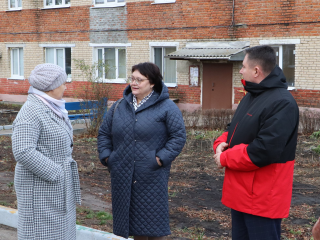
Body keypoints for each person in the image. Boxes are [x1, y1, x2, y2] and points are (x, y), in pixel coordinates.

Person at [213, 45, 299, 240]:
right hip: (241, 194)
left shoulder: (282, 102)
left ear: (256, 71)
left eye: (243, 66)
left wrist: (225, 158)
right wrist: (220, 143)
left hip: (262, 198)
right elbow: (235, 128)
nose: (241, 70)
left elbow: (264, 150)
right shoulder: (252, 95)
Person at [98, 62, 186, 240]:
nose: (134, 83)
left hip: (151, 175)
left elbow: (178, 137)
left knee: (154, 228)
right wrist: (108, 157)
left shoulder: (167, 107)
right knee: (133, 228)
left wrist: (159, 159)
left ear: (152, 82)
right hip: (122, 174)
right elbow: (104, 133)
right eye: (132, 78)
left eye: (140, 79)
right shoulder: (119, 106)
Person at [12, 63, 81, 240]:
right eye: (63, 83)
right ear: (51, 87)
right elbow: (23, 150)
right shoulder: (31, 111)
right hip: (40, 189)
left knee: (60, 232)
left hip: (55, 187)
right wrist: (56, 172)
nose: (65, 86)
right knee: (42, 234)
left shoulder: (52, 106)